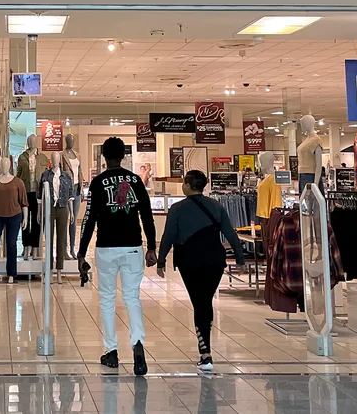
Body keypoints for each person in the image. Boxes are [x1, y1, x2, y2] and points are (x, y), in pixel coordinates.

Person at [77, 137, 157, 375]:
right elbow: (147, 215)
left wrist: (81, 253)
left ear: (103, 156)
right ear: (124, 155)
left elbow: (89, 219)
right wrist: (152, 247)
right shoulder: (135, 181)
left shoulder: (98, 182)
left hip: (107, 248)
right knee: (132, 298)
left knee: (107, 299)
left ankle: (111, 351)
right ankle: (138, 346)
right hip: (133, 247)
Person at [156, 170, 245, 372]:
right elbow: (230, 233)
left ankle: (205, 353)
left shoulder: (177, 209)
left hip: (189, 261)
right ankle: (205, 349)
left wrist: (161, 261)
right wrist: (239, 258)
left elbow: (168, 235)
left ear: (187, 185)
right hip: (214, 260)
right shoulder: (217, 206)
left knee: (200, 302)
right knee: (204, 301)